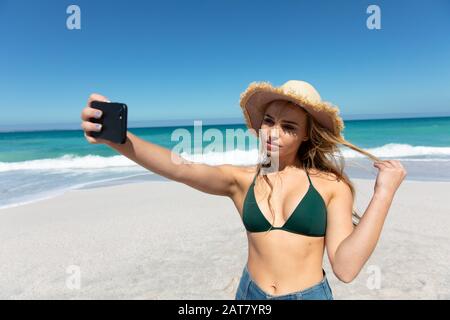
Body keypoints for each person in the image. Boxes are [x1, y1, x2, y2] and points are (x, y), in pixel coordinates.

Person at [80, 80, 407, 300]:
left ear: (307, 135)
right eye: (268, 121)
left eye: (288, 127)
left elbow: (346, 268)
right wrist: (119, 139)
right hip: (250, 294)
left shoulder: (330, 187)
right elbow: (178, 167)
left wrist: (384, 194)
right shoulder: (241, 181)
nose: (273, 133)